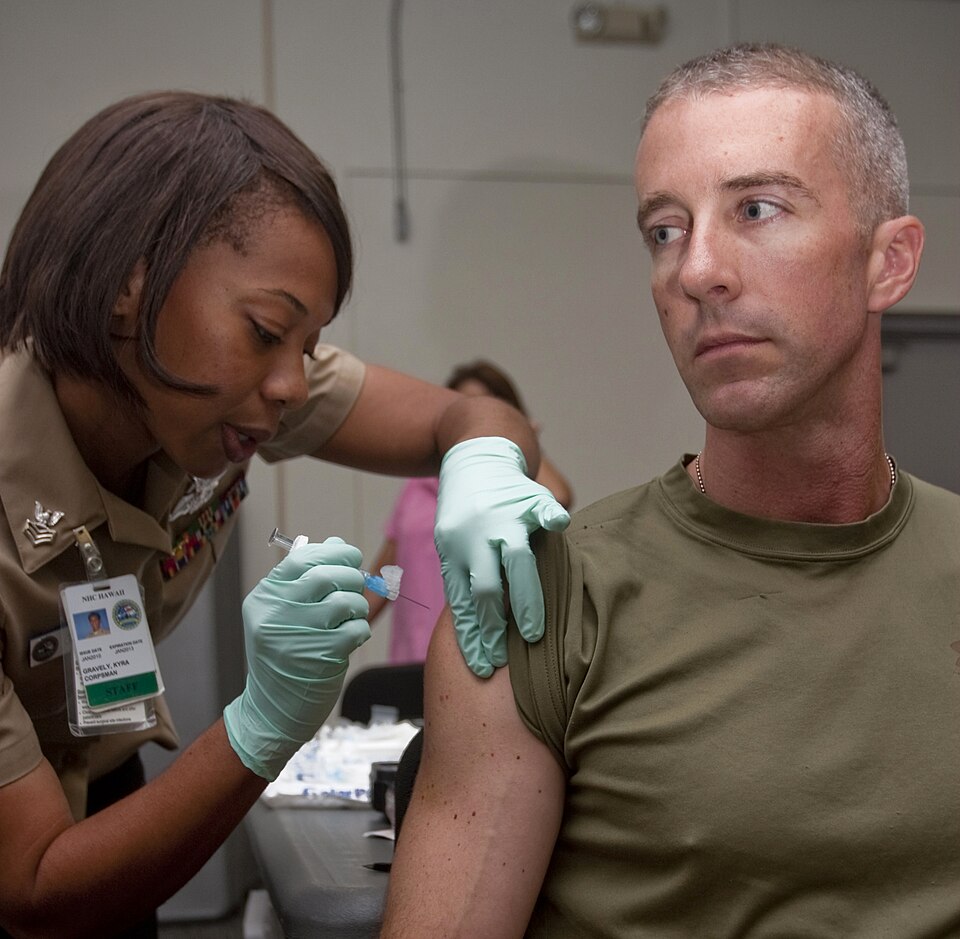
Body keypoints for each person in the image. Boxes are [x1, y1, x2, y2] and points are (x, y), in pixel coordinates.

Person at [380, 43, 960, 937]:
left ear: (889, 261)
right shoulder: (544, 600)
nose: (696, 272)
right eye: (666, 230)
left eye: (758, 209)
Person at [0, 91, 569, 938]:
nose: (295, 387)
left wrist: (484, 462)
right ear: (129, 289)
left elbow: (467, 416)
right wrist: (260, 725)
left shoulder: (222, 391)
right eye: (269, 330)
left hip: (107, 790)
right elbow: (36, 890)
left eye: (307, 346)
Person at [366, 359, 574, 665]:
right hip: (409, 661)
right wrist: (337, 627)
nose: (478, 421)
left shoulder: (511, 489)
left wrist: (520, 440)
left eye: (490, 410)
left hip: (482, 656)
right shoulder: (415, 486)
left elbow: (559, 497)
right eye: (465, 409)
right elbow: (385, 576)